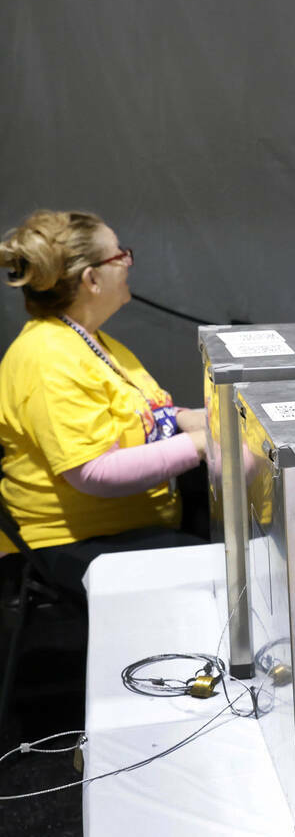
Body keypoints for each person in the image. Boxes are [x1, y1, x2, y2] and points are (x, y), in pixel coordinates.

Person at [0, 210, 208, 599]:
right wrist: (200, 444)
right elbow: (93, 472)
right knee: (224, 576)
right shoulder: (48, 358)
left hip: (123, 528)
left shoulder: (89, 341)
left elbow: (138, 412)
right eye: (119, 256)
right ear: (91, 279)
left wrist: (186, 418)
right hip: (70, 544)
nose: (128, 262)